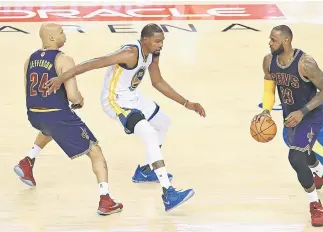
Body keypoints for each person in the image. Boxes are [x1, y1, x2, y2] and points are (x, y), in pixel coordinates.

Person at [45, 23, 206, 212]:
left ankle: (145, 171)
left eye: (162, 41)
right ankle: (168, 193)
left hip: (133, 97)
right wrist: (61, 78)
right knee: (150, 134)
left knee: (163, 122)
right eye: (157, 41)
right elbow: (94, 63)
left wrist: (187, 103)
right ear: (145, 40)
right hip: (115, 101)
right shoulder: (130, 53)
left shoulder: (153, 53)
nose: (160, 44)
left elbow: (158, 81)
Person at [14, 23, 123, 216]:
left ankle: (27, 161)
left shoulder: (28, 60)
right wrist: (79, 101)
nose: (66, 35)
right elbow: (73, 96)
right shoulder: (64, 59)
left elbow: (28, 93)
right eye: (62, 32)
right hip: (57, 115)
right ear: (52, 38)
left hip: (34, 114)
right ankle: (105, 199)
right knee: (95, 151)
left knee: (49, 128)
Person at [253, 25, 323, 227]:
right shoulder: (269, 61)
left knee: (295, 156)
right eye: (269, 39)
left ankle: (315, 205)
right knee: (302, 150)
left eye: (273, 39)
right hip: (290, 116)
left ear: (286, 41)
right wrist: (266, 110)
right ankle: (322, 173)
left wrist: (303, 111)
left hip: (310, 115)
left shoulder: (306, 63)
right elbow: (269, 89)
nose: (269, 42)